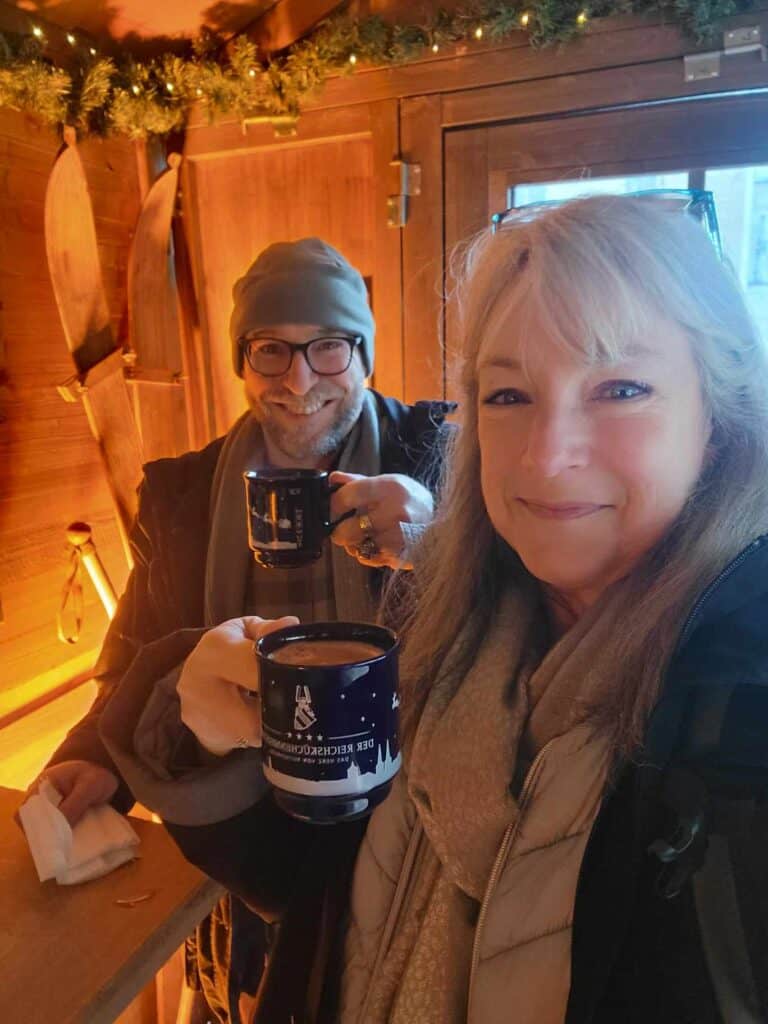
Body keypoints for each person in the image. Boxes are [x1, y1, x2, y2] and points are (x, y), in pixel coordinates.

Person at [100, 194, 768, 1023]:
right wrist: (188, 740)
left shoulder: (740, 718)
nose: (549, 457)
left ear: (723, 416)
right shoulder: (454, 629)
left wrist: (428, 529)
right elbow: (324, 892)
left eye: (621, 388)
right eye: (509, 396)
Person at [33, 237, 453, 1023]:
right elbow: (134, 645)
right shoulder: (183, 493)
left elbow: (525, 608)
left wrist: (441, 533)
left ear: (362, 353)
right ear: (242, 362)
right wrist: (91, 754)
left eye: (328, 348)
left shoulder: (435, 453)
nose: (299, 383)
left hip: (400, 830)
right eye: (270, 351)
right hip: (239, 827)